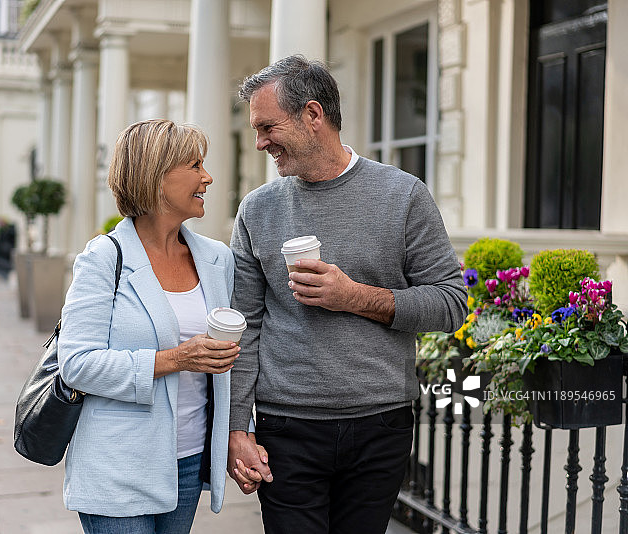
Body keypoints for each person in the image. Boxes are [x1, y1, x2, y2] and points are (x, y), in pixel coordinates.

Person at [227, 55, 468, 534]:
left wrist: (354, 296)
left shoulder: (403, 196)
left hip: (381, 427)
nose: (260, 143)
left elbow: (450, 303)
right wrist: (237, 429)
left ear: (313, 116)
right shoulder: (258, 209)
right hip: (286, 429)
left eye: (268, 126)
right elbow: (244, 325)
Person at [57, 119, 264, 534]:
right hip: (117, 466)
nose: (207, 177)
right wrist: (176, 359)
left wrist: (239, 433)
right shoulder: (104, 258)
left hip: (187, 463)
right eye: (194, 165)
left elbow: (232, 360)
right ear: (156, 175)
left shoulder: (216, 259)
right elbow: (76, 364)